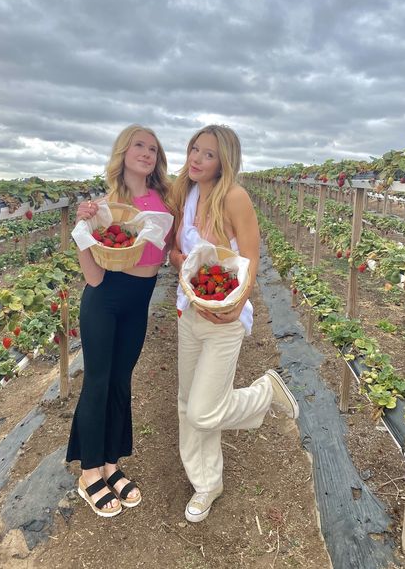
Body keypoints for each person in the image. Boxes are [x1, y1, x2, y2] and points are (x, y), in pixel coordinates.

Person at [170, 124, 299, 523]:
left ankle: (265, 394)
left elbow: (251, 259)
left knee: (203, 411)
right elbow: (175, 251)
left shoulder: (235, 197)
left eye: (208, 154)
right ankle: (207, 483)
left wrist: (234, 303)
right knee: (186, 404)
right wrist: (188, 269)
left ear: (224, 160)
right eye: (194, 149)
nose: (197, 158)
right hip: (189, 310)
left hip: (225, 317)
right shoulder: (184, 193)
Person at [66, 124, 173, 517]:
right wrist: (84, 227)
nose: (146, 152)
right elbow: (93, 276)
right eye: (138, 146)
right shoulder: (105, 205)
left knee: (120, 380)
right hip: (106, 298)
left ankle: (111, 463)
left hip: (139, 300)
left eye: (153, 148)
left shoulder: (165, 198)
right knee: (97, 380)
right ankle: (89, 472)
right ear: (123, 152)